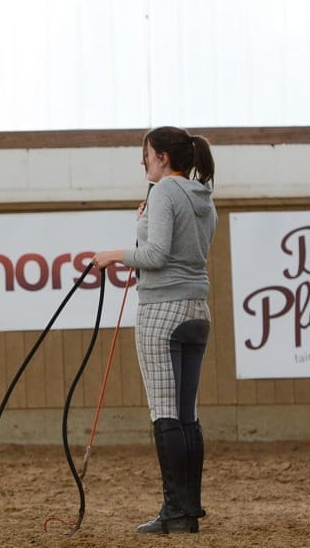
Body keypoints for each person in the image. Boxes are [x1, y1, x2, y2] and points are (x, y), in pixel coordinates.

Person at [92, 126, 217, 535]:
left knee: (164, 412)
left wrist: (112, 255)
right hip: (197, 311)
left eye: (146, 154)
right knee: (187, 415)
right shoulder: (203, 197)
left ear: (162, 157)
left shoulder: (165, 192)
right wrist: (143, 223)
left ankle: (174, 511)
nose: (143, 161)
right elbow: (183, 250)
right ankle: (189, 509)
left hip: (162, 311)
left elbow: (158, 255)